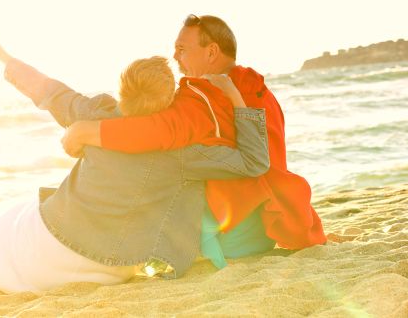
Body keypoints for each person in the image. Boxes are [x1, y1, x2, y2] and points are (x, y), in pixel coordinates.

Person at [0, 27, 270, 294]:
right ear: (170, 99)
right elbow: (253, 162)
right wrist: (236, 99)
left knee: (10, 225)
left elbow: (49, 91)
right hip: (114, 265)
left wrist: (0, 53)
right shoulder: (182, 149)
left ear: (122, 89)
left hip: (54, 240)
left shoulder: (97, 114)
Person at [63, 14, 327, 268]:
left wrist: (86, 131)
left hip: (231, 238)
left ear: (211, 52)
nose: (175, 57)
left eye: (181, 49)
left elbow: (157, 130)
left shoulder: (201, 98)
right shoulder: (254, 86)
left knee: (162, 162)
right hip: (273, 224)